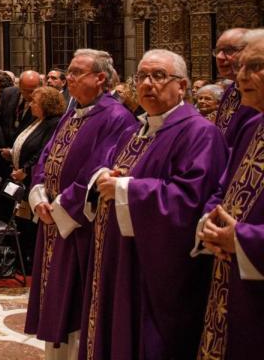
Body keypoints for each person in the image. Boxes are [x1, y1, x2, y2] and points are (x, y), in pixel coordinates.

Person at [80, 50, 227, 359]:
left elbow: (191, 200)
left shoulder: (200, 133)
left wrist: (125, 188)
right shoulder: (136, 130)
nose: (147, 84)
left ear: (182, 86)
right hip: (118, 258)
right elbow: (109, 170)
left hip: (154, 271)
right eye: (142, 76)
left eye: (158, 76)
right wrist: (107, 177)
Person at [24, 50, 138, 360]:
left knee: (76, 302)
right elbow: (47, 156)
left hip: (81, 228)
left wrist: (60, 207)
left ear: (100, 78)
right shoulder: (73, 112)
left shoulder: (117, 117)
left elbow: (99, 169)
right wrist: (38, 196)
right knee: (56, 296)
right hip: (53, 221)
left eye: (77, 72)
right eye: (69, 72)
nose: (69, 78)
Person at [196, 29, 264, 359]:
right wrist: (210, 221)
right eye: (241, 67)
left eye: (255, 66)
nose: (240, 76)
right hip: (230, 269)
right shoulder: (254, 125)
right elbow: (226, 183)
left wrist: (242, 239)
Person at [8, 86, 64, 267]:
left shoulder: (53, 123)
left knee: (31, 223)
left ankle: (30, 259)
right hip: (22, 177)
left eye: (35, 102)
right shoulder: (36, 120)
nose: (30, 105)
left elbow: (42, 151)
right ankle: (22, 257)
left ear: (46, 105)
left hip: (34, 179)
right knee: (23, 221)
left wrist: (25, 169)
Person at [214, 28, 255, 146]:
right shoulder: (231, 89)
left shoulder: (258, 92)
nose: (219, 57)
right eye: (218, 51)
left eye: (229, 50)